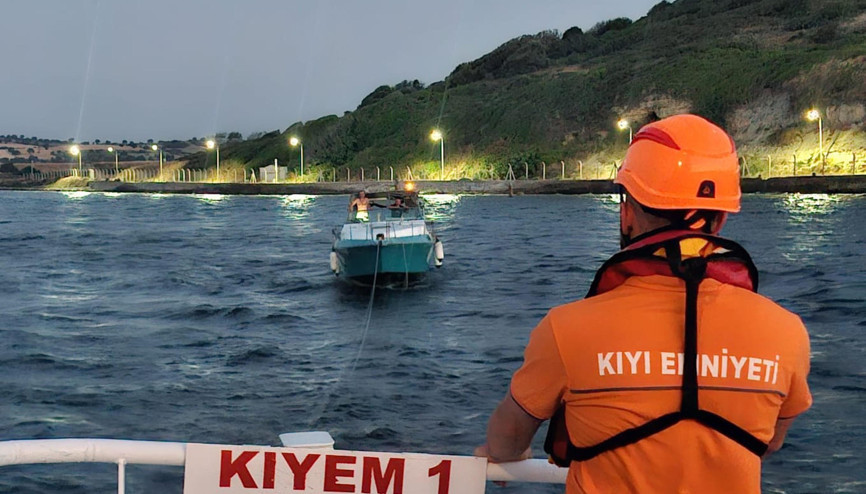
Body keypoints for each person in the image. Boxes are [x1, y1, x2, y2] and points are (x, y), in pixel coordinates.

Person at [474, 114, 812, 493]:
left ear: (627, 213)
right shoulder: (787, 333)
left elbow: (506, 442)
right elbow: (770, 440)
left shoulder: (566, 329)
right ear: (719, 220)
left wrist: (503, 453)